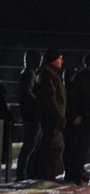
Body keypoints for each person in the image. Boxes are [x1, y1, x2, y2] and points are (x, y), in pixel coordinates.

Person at [65, 54, 90, 186]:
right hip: (85, 119)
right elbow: (71, 99)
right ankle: (78, 176)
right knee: (81, 149)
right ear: (88, 65)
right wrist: (75, 115)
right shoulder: (80, 79)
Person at [31, 48, 67, 181]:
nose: (62, 61)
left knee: (53, 147)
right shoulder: (47, 75)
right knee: (49, 147)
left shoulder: (52, 74)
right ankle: (45, 174)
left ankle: (48, 173)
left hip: (54, 117)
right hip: (51, 118)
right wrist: (58, 115)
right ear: (53, 60)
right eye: (59, 58)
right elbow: (50, 98)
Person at [16, 50, 43, 181]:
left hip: (29, 115)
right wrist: (39, 102)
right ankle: (22, 174)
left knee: (30, 145)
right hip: (32, 116)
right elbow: (28, 93)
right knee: (29, 146)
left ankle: (25, 173)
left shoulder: (26, 73)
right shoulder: (30, 74)